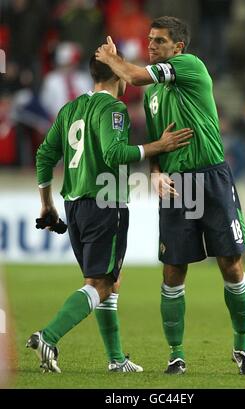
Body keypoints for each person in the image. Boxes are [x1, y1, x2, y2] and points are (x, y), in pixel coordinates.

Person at [95, 16, 245, 376]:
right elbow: (157, 142)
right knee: (173, 271)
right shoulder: (153, 94)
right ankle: (177, 354)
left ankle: (243, 347)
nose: (151, 46)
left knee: (231, 264)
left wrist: (110, 59)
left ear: (178, 48)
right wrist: (155, 176)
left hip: (212, 179)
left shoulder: (190, 66)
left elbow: (134, 76)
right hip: (176, 186)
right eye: (150, 40)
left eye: (159, 41)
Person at [26, 51, 193, 373]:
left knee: (106, 282)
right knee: (101, 284)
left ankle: (116, 360)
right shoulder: (114, 108)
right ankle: (48, 336)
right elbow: (114, 153)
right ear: (117, 74)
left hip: (74, 205)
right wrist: (157, 146)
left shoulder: (71, 107)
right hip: (105, 204)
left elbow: (45, 155)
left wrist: (46, 203)